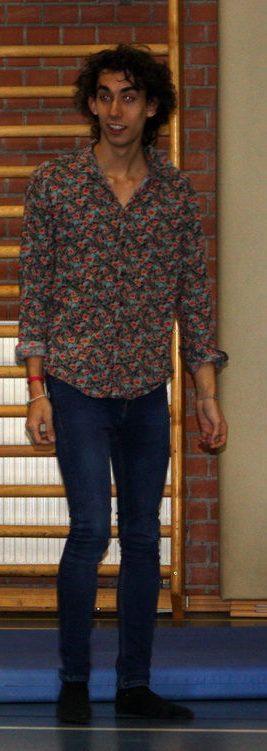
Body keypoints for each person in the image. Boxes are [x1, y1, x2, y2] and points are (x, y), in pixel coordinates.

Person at [17, 44, 228, 725]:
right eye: (105, 95)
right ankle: (75, 682)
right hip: (76, 384)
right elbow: (34, 292)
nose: (116, 109)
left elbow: (195, 300)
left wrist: (205, 393)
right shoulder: (56, 184)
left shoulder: (175, 193)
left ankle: (134, 684)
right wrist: (37, 389)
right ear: (91, 103)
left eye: (129, 97)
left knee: (142, 537)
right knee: (89, 530)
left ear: (152, 107)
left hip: (145, 388)